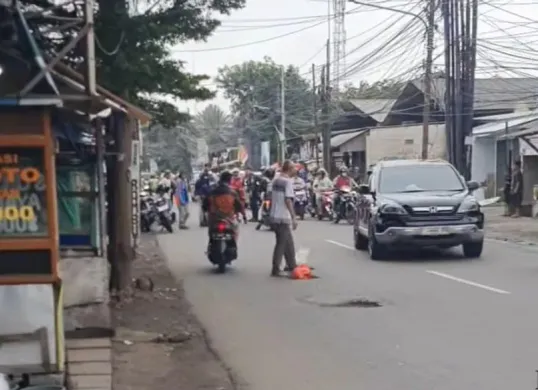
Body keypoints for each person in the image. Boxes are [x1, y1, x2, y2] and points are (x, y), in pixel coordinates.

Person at [269, 160, 298, 277]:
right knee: (281, 243)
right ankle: (275, 268)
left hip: (274, 215)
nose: (296, 170)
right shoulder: (287, 182)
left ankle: (292, 265)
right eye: (294, 168)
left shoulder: (276, 180)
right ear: (289, 169)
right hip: (282, 216)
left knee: (288, 242)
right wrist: (294, 217)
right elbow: (288, 200)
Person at [202, 170, 243, 246]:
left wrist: (206, 210)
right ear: (230, 180)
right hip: (229, 217)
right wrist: (240, 213)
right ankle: (234, 244)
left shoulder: (212, 191)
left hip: (214, 217)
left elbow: (205, 205)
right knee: (235, 228)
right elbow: (239, 206)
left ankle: (211, 244)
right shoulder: (232, 192)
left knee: (211, 231)